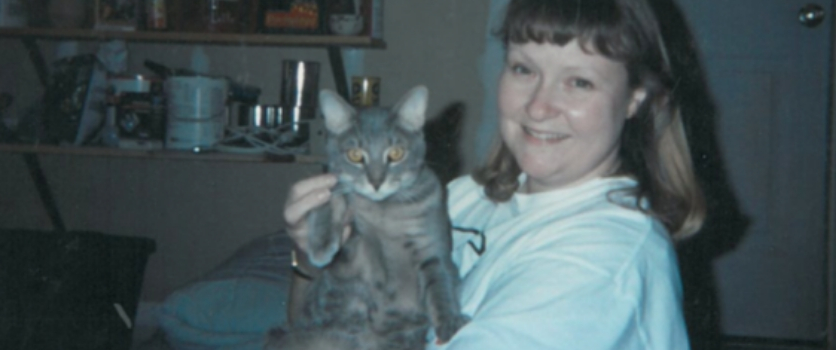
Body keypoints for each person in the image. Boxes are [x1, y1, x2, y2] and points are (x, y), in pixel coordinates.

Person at [283, 0, 706, 348]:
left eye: (579, 82)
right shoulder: (470, 196)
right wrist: (311, 258)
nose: (539, 107)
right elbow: (315, 325)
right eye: (524, 69)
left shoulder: (602, 264)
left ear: (636, 98)